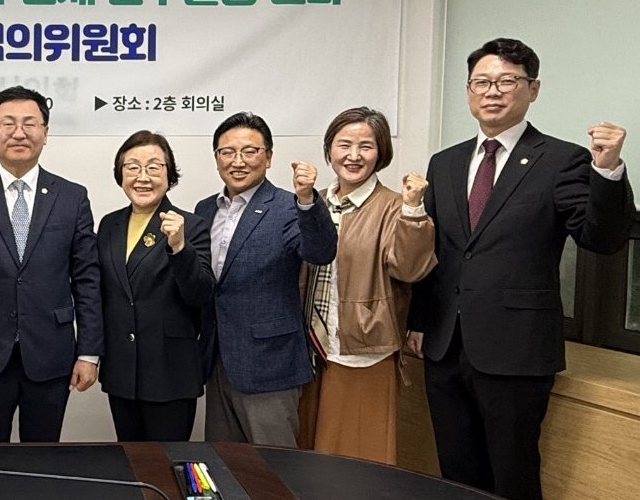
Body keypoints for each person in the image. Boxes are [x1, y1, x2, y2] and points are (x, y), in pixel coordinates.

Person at [407, 38, 634, 499]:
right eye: (481, 82)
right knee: (456, 472)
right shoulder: (445, 162)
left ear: (533, 89)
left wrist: (608, 172)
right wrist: (419, 321)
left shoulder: (562, 159)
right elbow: (438, 252)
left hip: (516, 349)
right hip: (445, 344)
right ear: (468, 91)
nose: (492, 91)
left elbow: (601, 239)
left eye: (507, 81)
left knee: (513, 473)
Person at [0, 85, 103, 442]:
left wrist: (89, 352)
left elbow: (87, 278)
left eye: (30, 123)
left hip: (50, 351)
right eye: (8, 123)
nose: (19, 133)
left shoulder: (72, 196)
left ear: (45, 132)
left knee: (42, 457)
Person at [296, 107, 436, 464]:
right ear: (329, 149)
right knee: (308, 455)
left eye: (366, 146)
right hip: (310, 351)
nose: (354, 155)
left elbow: (410, 269)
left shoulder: (395, 206)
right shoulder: (312, 202)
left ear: (381, 152)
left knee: (357, 461)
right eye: (344, 145)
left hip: (363, 349)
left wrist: (413, 212)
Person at [195, 111, 337, 446]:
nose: (238, 161)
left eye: (250, 151)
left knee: (275, 466)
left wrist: (307, 200)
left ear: (269, 157)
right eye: (227, 152)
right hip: (217, 360)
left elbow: (320, 251)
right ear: (216, 158)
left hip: (270, 363)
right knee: (224, 462)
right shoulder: (205, 209)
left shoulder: (288, 206)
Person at [96, 130, 214, 441]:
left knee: (169, 463)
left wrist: (180, 247)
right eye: (132, 167)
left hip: (170, 372)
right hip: (122, 371)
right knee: (131, 460)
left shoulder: (190, 224)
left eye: (153, 167)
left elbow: (201, 294)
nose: (143, 177)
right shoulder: (109, 225)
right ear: (120, 174)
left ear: (169, 174)